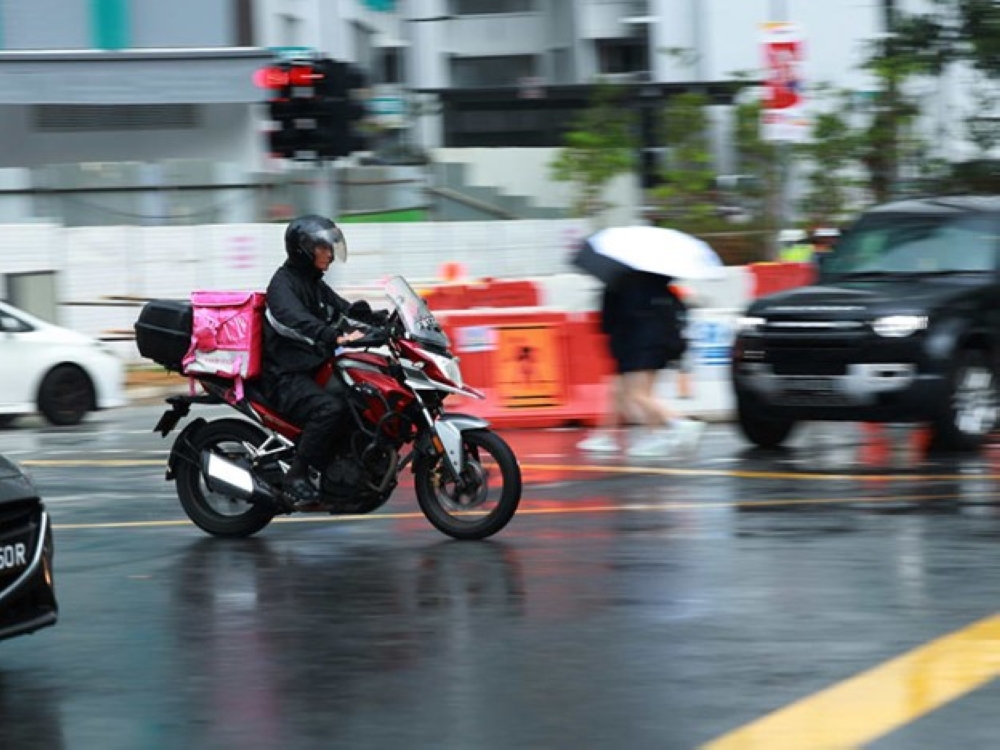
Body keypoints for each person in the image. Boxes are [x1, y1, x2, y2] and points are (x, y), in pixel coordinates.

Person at [260, 214, 381, 509]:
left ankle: (346, 467)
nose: (329, 253)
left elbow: (343, 311)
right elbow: (295, 321)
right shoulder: (282, 286)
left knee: (360, 398)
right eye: (323, 247)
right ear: (303, 248)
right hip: (284, 375)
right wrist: (332, 335)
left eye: (330, 247)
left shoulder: (313, 282)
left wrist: (383, 321)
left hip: (311, 368)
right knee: (329, 408)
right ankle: (296, 476)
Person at [577, 270, 704, 457]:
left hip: (635, 346)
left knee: (637, 394)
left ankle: (680, 423)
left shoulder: (617, 282)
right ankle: (652, 436)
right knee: (635, 393)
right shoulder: (658, 281)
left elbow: (607, 321)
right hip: (659, 344)